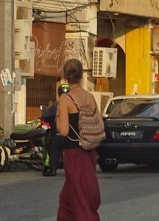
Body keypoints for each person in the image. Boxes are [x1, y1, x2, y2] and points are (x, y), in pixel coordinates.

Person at [55, 59, 101, 221]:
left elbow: (64, 130)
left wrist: (59, 118)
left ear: (65, 77)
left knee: (80, 197)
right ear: (82, 75)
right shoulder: (90, 97)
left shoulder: (65, 99)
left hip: (73, 152)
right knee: (69, 197)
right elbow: (100, 123)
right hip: (89, 151)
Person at [42, 83, 70, 177]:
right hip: (71, 135)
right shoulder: (73, 104)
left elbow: (44, 116)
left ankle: (53, 169)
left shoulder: (55, 105)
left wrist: (53, 117)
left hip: (58, 133)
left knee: (54, 149)